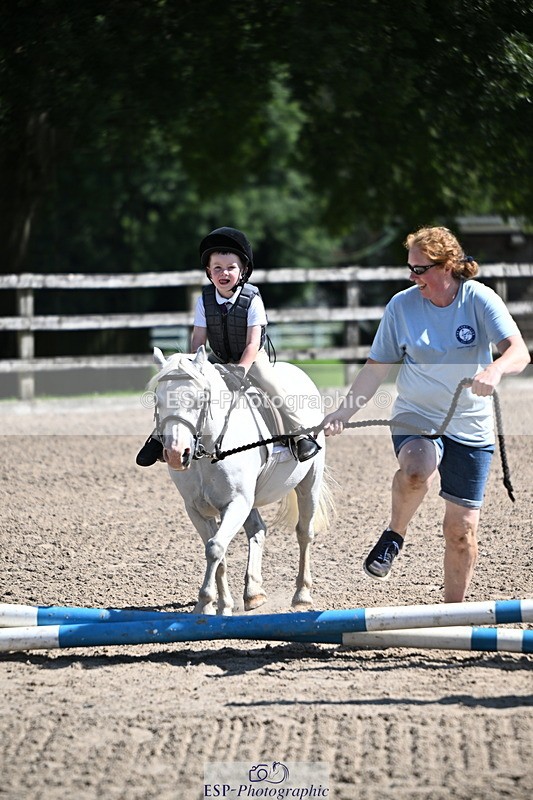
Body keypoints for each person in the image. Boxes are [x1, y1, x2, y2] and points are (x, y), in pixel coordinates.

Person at [321, 226, 530, 602]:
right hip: (417, 415)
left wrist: (495, 369)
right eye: (410, 268)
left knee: (461, 530)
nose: (412, 276)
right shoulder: (401, 306)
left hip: (470, 425)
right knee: (416, 469)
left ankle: (452, 615)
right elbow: (375, 368)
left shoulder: (478, 299)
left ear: (447, 265)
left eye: (420, 269)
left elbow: (518, 351)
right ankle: (395, 534)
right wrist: (344, 412)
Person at [137, 226, 320, 466]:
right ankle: (159, 439)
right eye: (218, 268)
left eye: (231, 268)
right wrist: (194, 365)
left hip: (252, 359)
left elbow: (254, 342)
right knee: (179, 390)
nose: (224, 273)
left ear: (243, 270)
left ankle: (299, 434)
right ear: (209, 272)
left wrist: (242, 369)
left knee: (272, 385)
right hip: (217, 358)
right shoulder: (204, 300)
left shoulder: (253, 299)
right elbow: (198, 338)